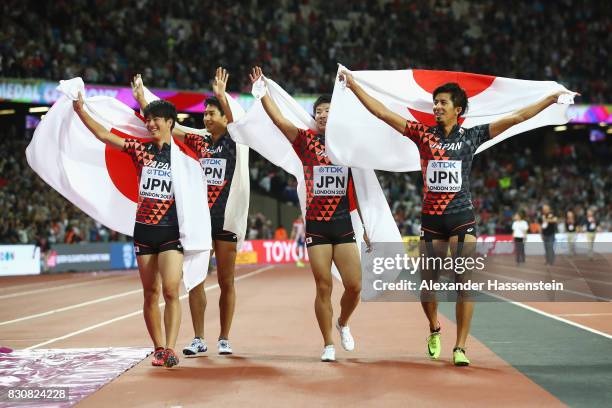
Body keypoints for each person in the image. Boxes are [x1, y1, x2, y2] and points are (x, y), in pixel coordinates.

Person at [339, 69, 575, 366]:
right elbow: (383, 113)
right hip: (432, 222)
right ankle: (434, 328)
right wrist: (356, 86)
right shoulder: (422, 134)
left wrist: (550, 99)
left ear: (458, 110)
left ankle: (460, 347)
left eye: (442, 103)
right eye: (435, 102)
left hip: (462, 217)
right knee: (428, 285)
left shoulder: (473, 135)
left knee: (464, 281)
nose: (436, 107)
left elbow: (516, 118)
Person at [250, 66, 369, 362]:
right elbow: (278, 120)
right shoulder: (306, 141)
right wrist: (262, 93)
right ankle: (328, 343)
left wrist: (367, 225)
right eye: (319, 112)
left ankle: (342, 323)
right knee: (323, 285)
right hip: (317, 225)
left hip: (342, 225)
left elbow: (363, 187)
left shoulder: (347, 146)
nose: (323, 115)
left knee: (354, 286)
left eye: (328, 111)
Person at [133, 68, 240, 356]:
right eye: (204, 114)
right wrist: (143, 99)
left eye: (212, 113)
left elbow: (240, 125)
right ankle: (199, 337)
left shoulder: (235, 142)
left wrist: (222, 96)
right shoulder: (198, 141)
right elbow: (168, 127)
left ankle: (225, 337)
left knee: (227, 280)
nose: (206, 118)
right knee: (195, 280)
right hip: (197, 220)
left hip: (226, 220)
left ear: (225, 117)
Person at [74, 94, 183, 368]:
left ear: (170, 122)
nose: (151, 124)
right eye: (148, 120)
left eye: (156, 119)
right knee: (150, 293)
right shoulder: (140, 149)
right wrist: (81, 111)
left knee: (171, 290)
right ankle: (158, 348)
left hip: (171, 231)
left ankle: (171, 348)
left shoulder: (182, 157)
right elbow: (103, 135)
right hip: (144, 231)